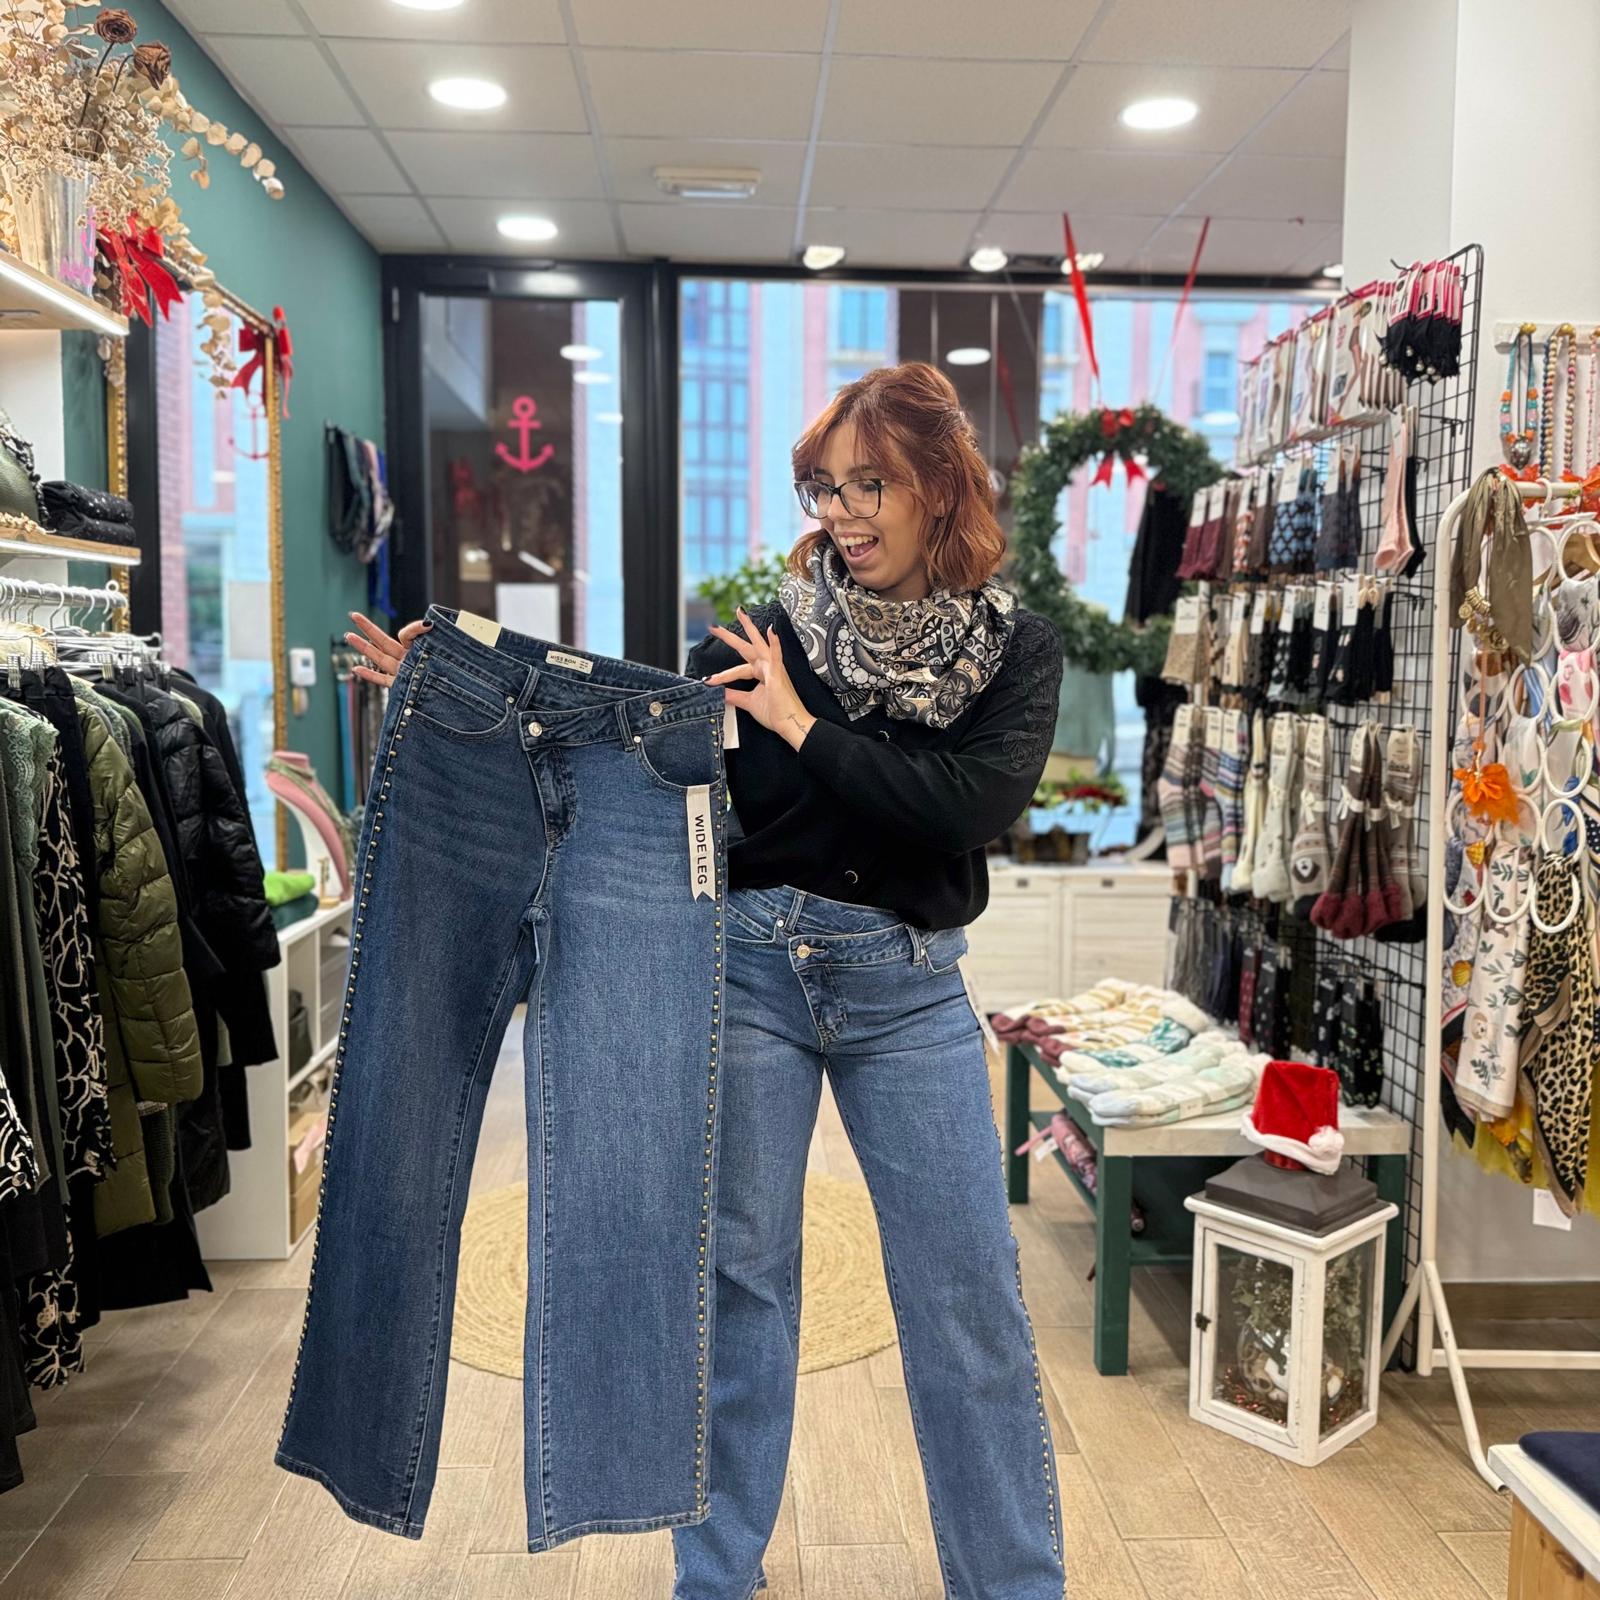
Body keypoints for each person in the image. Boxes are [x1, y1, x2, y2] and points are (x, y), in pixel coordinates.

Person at [345, 361, 1068, 1599]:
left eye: (870, 484)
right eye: (823, 486)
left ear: (941, 487)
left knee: (969, 1299)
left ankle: (1011, 1585)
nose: (841, 513)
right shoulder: (753, 641)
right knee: (739, 1290)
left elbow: (964, 807)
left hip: (907, 989)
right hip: (749, 977)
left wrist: (800, 726)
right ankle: (717, 1579)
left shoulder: (1012, 649)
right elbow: (610, 737)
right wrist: (460, 687)